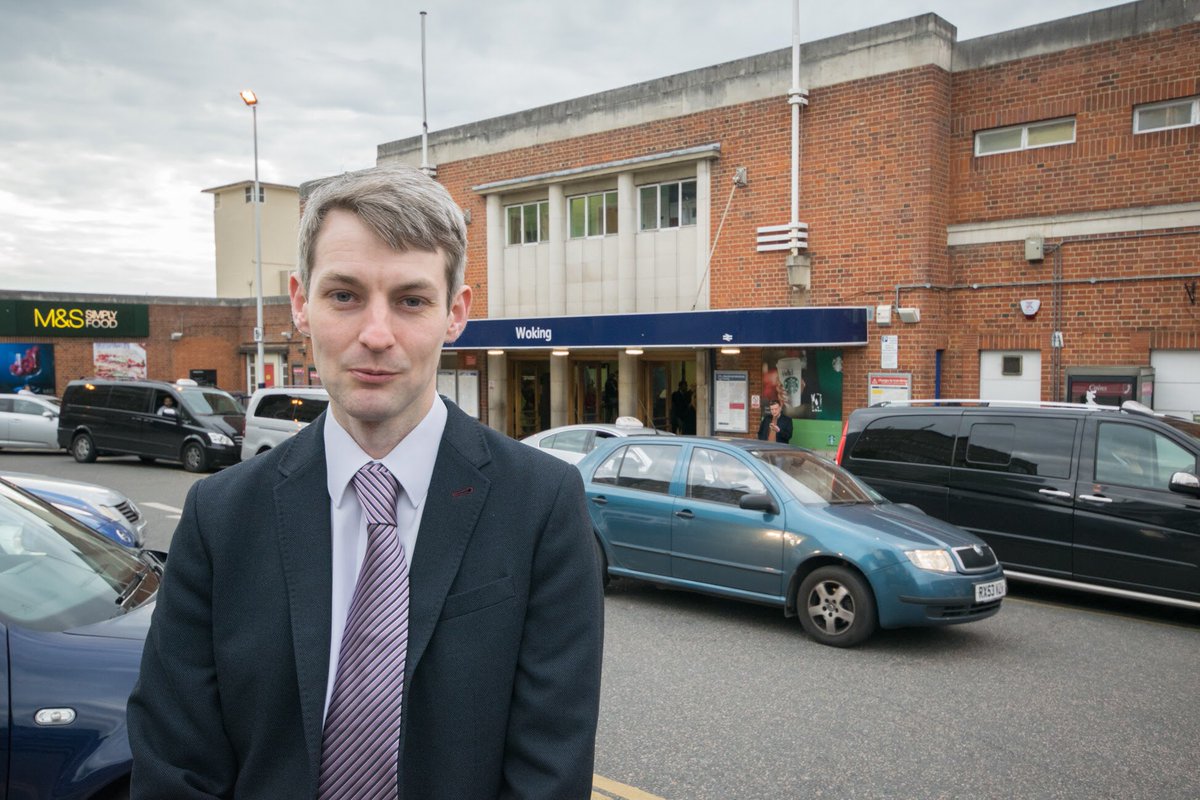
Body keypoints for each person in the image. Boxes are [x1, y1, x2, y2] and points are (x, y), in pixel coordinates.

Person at [127, 165, 604, 799]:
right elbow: (174, 763)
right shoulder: (221, 516)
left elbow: (550, 768)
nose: (376, 336)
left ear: (455, 313)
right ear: (301, 303)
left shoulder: (541, 505)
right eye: (345, 295)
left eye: (411, 300)